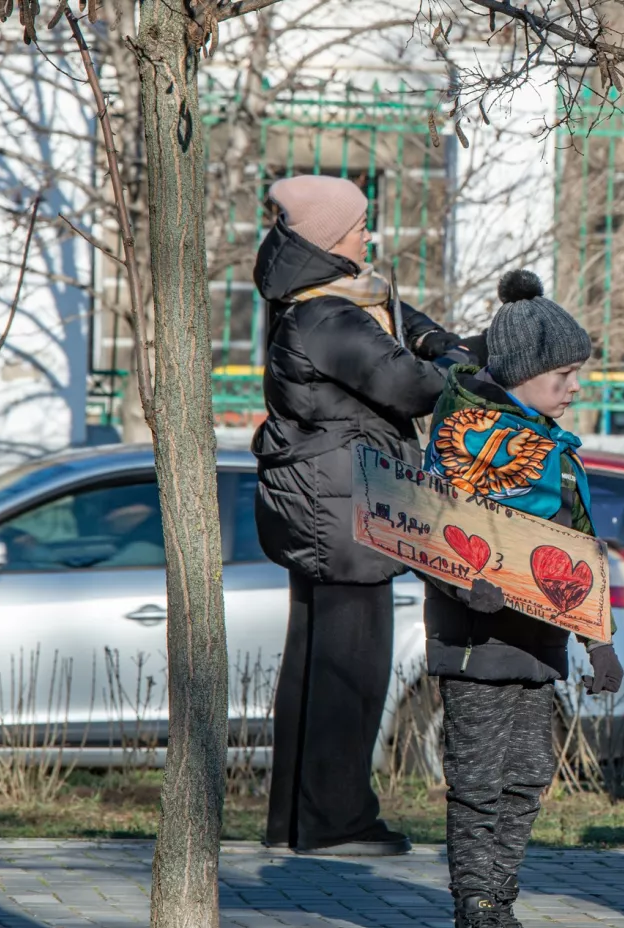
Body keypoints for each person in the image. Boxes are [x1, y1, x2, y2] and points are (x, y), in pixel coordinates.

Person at [422, 270, 624, 928]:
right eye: (566, 374)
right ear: (526, 372)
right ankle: (475, 916)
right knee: (477, 780)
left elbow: (580, 546)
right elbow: (429, 527)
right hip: (473, 643)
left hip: (539, 644)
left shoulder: (557, 451)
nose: (574, 387)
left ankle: (499, 911)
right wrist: (459, 580)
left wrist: (598, 641)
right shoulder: (460, 439)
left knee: (526, 777)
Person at [254, 174, 468, 856]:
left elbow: (404, 328)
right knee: (352, 667)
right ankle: (337, 821)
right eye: (358, 225)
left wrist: (442, 341)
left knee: (314, 661)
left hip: (322, 502)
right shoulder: (329, 317)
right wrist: (463, 367)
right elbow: (409, 385)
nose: (368, 235)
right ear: (326, 238)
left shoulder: (321, 301)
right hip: (344, 507)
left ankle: (296, 819)